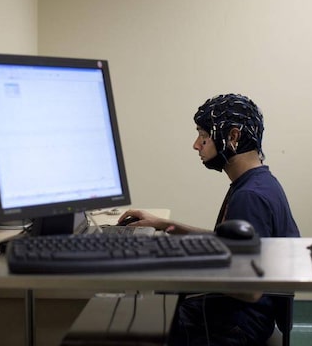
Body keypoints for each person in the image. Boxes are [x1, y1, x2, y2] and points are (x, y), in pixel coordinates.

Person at [117, 93, 300, 346]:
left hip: (238, 325)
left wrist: (179, 268)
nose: (196, 145)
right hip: (246, 314)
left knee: (133, 320)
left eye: (203, 135)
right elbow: (229, 242)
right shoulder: (260, 182)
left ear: (233, 137)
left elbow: (250, 290)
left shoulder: (249, 197)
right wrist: (164, 225)